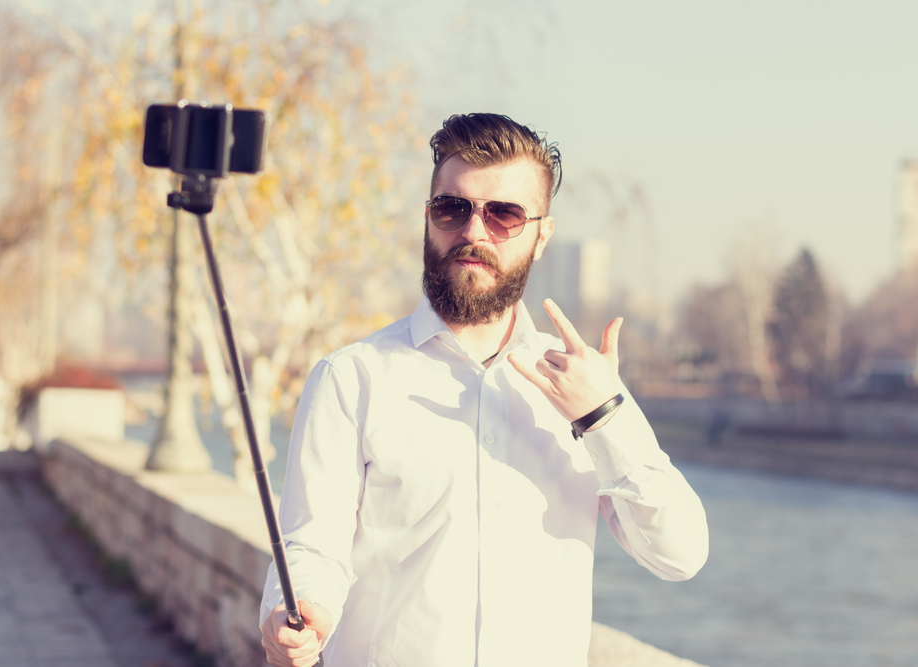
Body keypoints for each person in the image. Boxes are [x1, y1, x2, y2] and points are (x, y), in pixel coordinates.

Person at [259, 113, 709, 667]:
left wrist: (604, 419)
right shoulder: (351, 378)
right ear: (429, 219)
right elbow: (311, 547)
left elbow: (680, 555)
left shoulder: (584, 390)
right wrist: (301, 610)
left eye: (504, 214)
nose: (474, 232)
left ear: (541, 234)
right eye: (454, 208)